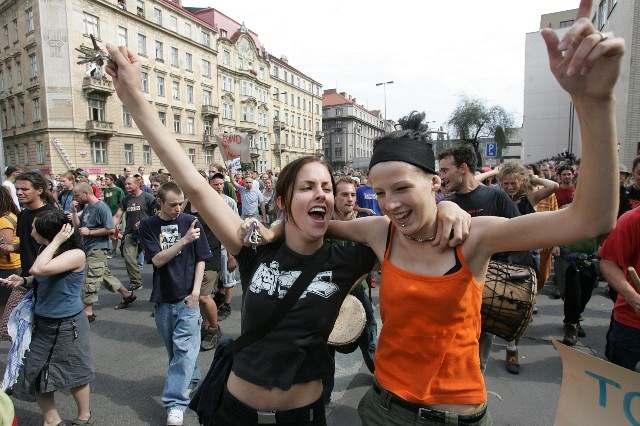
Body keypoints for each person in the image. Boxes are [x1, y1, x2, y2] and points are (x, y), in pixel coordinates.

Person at [264, 8, 619, 423]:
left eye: (402, 189)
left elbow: (591, 219)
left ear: (434, 182)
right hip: (384, 409)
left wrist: (595, 102)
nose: (390, 204)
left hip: (455, 414)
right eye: (379, 192)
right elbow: (315, 224)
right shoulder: (380, 232)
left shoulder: (475, 237)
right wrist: (277, 219)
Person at [105, 44, 469, 425]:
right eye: (308, 187)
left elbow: (413, 226)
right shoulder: (254, 247)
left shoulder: (350, 257)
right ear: (283, 200)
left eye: (327, 187)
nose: (322, 195)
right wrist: (134, 98)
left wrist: (446, 204)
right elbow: (194, 185)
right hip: (236, 412)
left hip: (303, 416)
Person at [438, 145, 525, 374]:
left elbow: (518, 232)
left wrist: (515, 274)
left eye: (445, 170)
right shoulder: (446, 204)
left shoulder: (495, 195)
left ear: (463, 168)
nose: (442, 176)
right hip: (452, 288)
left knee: (478, 353)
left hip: (488, 287)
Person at [2, 210, 93, 426]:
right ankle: (52, 419)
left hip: (68, 324)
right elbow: (41, 274)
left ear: (48, 233)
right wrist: (24, 280)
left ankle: (84, 417)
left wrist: (58, 240)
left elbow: (40, 268)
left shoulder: (76, 254)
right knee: (33, 371)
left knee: (75, 371)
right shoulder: (47, 249)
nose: (30, 230)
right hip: (43, 322)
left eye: (34, 227)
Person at [138, 182, 211, 426]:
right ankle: (192, 379)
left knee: (183, 351)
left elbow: (202, 259)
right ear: (160, 202)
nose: (177, 209)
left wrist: (196, 292)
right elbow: (157, 260)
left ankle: (175, 404)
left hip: (187, 299)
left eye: (181, 203)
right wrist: (183, 241)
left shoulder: (191, 221)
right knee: (176, 354)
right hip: (163, 300)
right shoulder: (148, 225)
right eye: (172, 205)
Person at [322, 176, 378, 404]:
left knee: (370, 337)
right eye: (344, 194)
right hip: (328, 295)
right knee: (325, 349)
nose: (349, 199)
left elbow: (373, 262)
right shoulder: (323, 224)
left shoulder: (366, 223)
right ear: (334, 197)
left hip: (357, 292)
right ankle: (323, 397)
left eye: (353, 194)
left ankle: (384, 381)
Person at [71, 183, 136, 322]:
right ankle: (127, 294)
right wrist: (73, 211)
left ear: (86, 193)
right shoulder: (88, 207)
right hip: (88, 247)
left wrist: (90, 232)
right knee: (104, 274)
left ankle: (88, 312)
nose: (75, 198)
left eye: (77, 195)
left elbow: (111, 229)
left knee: (92, 277)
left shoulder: (101, 207)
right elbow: (78, 227)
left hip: (98, 248)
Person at [183, 186, 223, 352]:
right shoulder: (184, 204)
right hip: (191, 258)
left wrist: (231, 256)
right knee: (198, 296)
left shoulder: (210, 205)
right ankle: (206, 325)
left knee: (204, 296)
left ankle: (214, 328)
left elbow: (223, 231)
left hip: (210, 257)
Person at [600, 207, 640, 370]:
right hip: (632, 323)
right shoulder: (632, 219)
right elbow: (608, 263)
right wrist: (634, 298)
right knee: (618, 383)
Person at [113, 176, 156, 290]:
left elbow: (156, 216)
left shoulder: (148, 198)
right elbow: (118, 214)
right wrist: (113, 225)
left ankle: (160, 279)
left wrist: (144, 223)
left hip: (147, 234)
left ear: (137, 184)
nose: (126, 186)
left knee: (155, 259)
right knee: (129, 258)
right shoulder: (126, 199)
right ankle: (136, 282)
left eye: (129, 184)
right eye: (126, 184)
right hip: (130, 234)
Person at [208, 173, 240, 320]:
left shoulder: (230, 202)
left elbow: (235, 226)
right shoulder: (205, 201)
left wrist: (232, 255)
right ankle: (218, 299)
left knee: (228, 276)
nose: (219, 187)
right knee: (215, 276)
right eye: (216, 184)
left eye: (221, 184)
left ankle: (227, 304)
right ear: (210, 185)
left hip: (225, 246)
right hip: (211, 246)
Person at [0, 186, 20, 337]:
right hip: (12, 267)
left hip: (8, 268)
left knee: (5, 308)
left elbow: (5, 247)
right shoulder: (11, 215)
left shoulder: (3, 220)